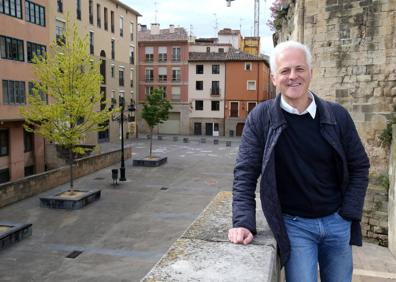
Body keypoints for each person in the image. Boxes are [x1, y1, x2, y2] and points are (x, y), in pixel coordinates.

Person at [228, 41, 370, 282]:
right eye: (285, 71)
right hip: (294, 227)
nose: (293, 76)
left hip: (337, 222)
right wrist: (243, 223)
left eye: (299, 69)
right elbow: (245, 174)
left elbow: (359, 165)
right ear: (274, 78)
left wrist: (348, 212)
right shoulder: (261, 118)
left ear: (311, 73)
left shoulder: (337, 116)